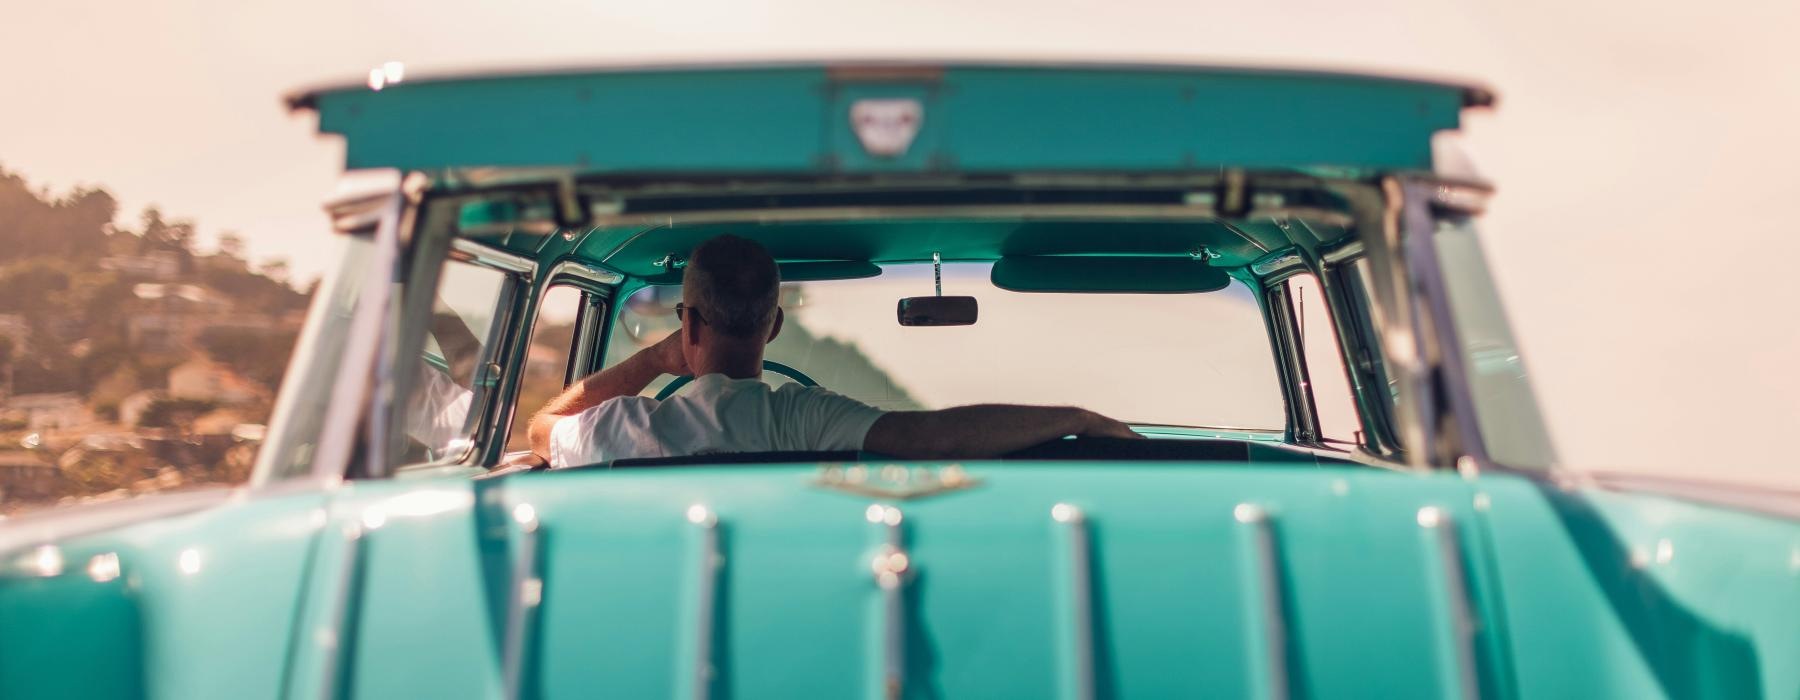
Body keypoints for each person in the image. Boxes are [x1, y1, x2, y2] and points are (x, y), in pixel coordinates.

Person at [528, 234, 1139, 468]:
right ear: (773, 326)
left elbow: (540, 432)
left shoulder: (627, 428)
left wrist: (654, 361)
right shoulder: (805, 416)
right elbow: (935, 437)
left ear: (687, 326)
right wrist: (1075, 419)